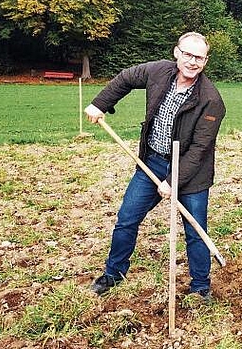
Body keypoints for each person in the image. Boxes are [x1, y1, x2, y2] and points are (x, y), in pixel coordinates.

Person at [84, 32, 226, 300]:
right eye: (188, 54)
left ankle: (200, 286)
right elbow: (126, 77)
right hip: (152, 162)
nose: (192, 62)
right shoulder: (158, 72)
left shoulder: (211, 100)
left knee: (195, 229)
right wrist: (100, 103)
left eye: (199, 57)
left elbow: (198, 150)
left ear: (205, 61)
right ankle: (113, 274)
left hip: (191, 173)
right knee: (127, 219)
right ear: (177, 52)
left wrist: (173, 181)